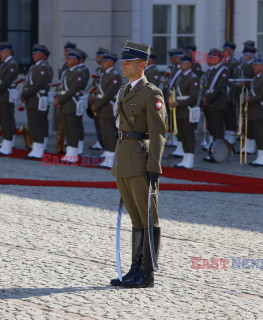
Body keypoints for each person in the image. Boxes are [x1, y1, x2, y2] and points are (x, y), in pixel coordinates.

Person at [110, 40, 166, 288]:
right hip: (123, 158)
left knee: (148, 217)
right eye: (123, 61)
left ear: (142, 65)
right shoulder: (123, 91)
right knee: (135, 219)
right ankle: (135, 268)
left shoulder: (152, 93)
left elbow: (158, 133)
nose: (123, 65)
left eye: (129, 62)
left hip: (141, 160)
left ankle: (147, 272)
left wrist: (154, 165)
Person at [20, 44, 54, 159]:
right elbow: (29, 84)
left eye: (36, 53)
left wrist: (24, 94)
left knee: (37, 124)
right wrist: (25, 95)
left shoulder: (44, 67)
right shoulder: (35, 67)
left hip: (37, 99)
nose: (33, 55)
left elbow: (37, 85)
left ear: (43, 55)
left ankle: (39, 149)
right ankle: (37, 147)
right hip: (32, 99)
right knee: (33, 124)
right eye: (33, 53)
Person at [89, 52, 122, 168]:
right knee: (104, 133)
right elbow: (99, 91)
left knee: (110, 134)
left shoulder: (115, 76)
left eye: (105, 61)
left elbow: (108, 94)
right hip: (102, 107)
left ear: (112, 62)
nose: (102, 63)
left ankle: (113, 158)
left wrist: (96, 105)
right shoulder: (105, 74)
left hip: (108, 107)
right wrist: (94, 101)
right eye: (102, 61)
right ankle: (108, 155)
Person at [54, 48, 86, 163]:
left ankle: (74, 153)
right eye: (67, 58)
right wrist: (57, 98)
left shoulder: (79, 73)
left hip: (71, 103)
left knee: (72, 128)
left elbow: (72, 90)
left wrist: (60, 100)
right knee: (67, 128)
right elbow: (61, 87)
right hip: (64, 103)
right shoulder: (67, 72)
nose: (67, 60)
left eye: (70, 58)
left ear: (76, 60)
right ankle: (69, 152)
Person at [244, 56, 263, 166]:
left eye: (255, 65)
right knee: (257, 134)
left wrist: (250, 99)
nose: (253, 67)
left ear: (262, 66)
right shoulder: (256, 78)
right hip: (255, 110)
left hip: (262, 110)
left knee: (262, 134)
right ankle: (260, 157)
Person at [172, 53, 200, 169]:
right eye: (181, 63)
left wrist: (179, 103)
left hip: (187, 109)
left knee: (189, 134)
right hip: (179, 109)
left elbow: (193, 97)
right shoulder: (181, 77)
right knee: (182, 134)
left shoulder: (193, 78)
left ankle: (190, 158)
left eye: (183, 63)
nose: (181, 65)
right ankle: (185, 158)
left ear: (189, 65)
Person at [201, 49, 229, 163]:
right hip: (208, 103)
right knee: (212, 129)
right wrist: (204, 98)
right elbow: (205, 87)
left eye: (211, 58)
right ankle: (213, 152)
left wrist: (208, 99)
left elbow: (219, 88)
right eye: (209, 57)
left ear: (218, 59)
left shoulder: (223, 71)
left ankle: (220, 154)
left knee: (218, 130)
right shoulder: (209, 71)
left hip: (217, 103)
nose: (208, 59)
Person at [0, 42, 19, 156]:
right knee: (4, 120)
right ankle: (6, 142)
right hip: (1, 95)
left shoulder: (12, 64)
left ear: (8, 51)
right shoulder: (5, 64)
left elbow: (6, 82)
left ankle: (8, 146)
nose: (0, 54)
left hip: (6, 95)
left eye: (2, 52)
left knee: (7, 120)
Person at [89, 47, 108, 151]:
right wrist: (91, 95)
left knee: (102, 123)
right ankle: (99, 140)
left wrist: (94, 94)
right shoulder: (98, 69)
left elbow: (102, 86)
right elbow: (94, 85)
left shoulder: (104, 70)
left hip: (101, 99)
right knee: (97, 122)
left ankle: (102, 142)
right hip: (96, 98)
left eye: (100, 56)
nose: (98, 58)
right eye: (97, 56)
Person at [222, 41, 239, 145]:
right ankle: (227, 133)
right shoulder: (222, 61)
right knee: (225, 114)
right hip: (223, 92)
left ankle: (232, 133)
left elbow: (234, 81)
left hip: (230, 92)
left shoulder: (234, 63)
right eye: (224, 49)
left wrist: (232, 95)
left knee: (231, 114)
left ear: (231, 51)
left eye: (226, 49)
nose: (224, 51)